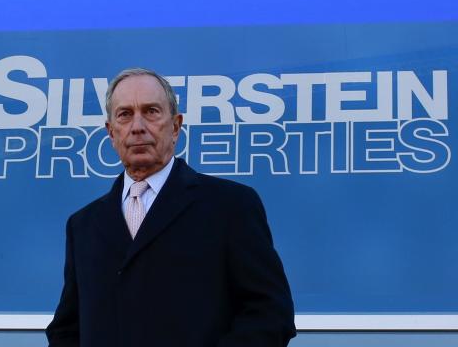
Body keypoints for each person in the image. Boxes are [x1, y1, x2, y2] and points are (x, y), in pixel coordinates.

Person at [46, 68, 296, 347]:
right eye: (125, 114)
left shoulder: (230, 206)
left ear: (175, 126)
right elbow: (66, 329)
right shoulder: (83, 225)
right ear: (111, 132)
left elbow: (271, 313)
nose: (137, 126)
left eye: (151, 111)